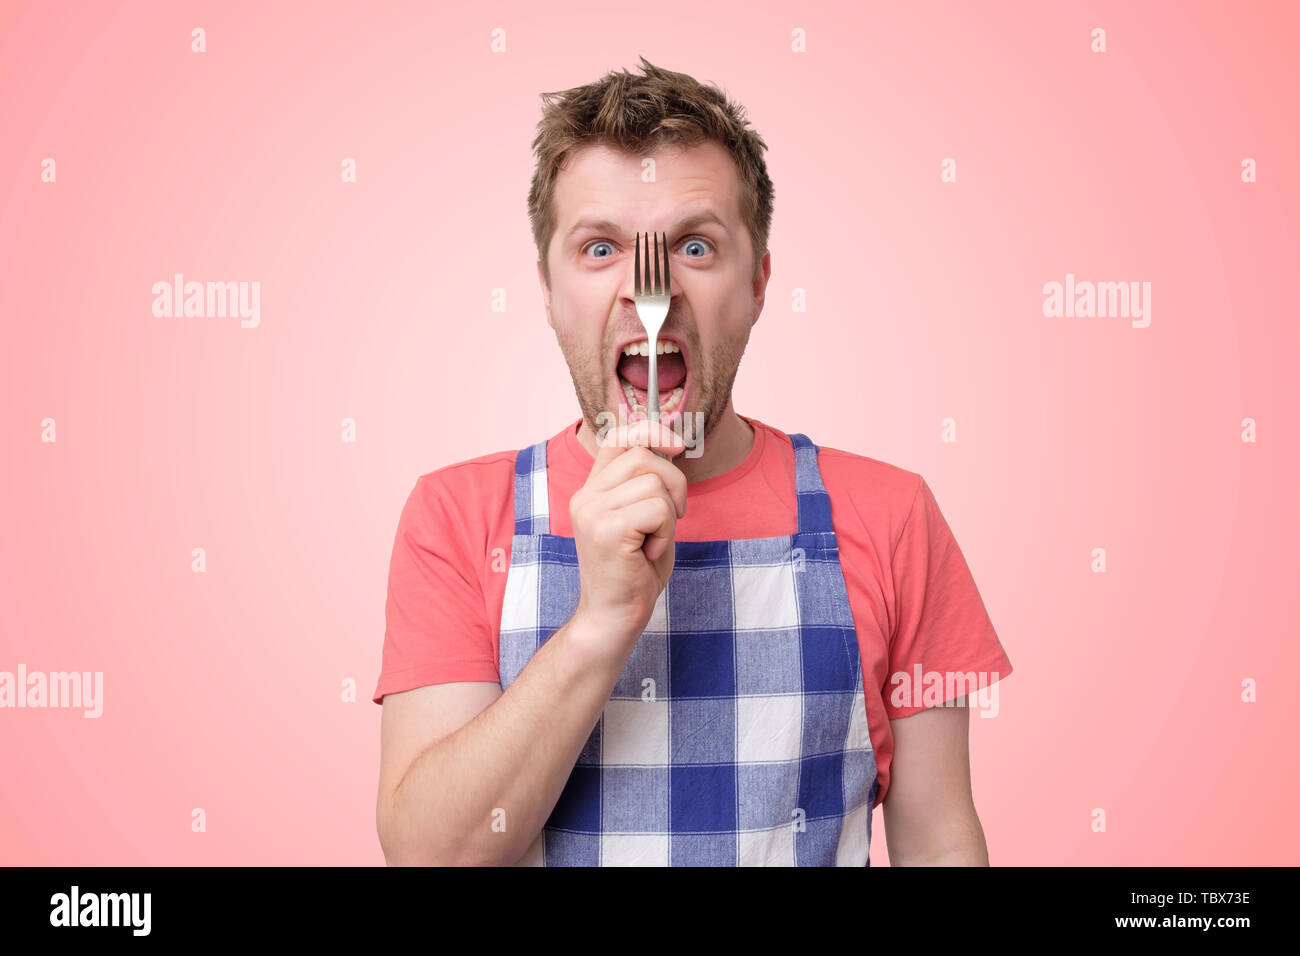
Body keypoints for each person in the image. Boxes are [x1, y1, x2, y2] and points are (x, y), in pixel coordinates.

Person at [373, 56, 1012, 866]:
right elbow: (432, 856)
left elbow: (940, 838)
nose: (658, 291)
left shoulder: (891, 517)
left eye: (697, 247)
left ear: (759, 283)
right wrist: (600, 623)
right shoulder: (458, 520)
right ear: (546, 288)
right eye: (601, 248)